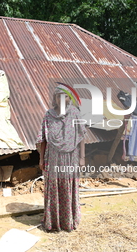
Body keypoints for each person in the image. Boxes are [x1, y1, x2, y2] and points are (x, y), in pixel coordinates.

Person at [36, 83, 86, 232]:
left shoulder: (75, 113)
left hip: (71, 157)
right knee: (53, 188)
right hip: (52, 157)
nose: (61, 99)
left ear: (68, 99)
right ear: (55, 98)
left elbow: (82, 135)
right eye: (58, 96)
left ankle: (69, 221)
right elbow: (43, 139)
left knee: (68, 187)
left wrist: (82, 157)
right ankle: (53, 222)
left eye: (64, 96)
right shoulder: (48, 115)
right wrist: (41, 159)